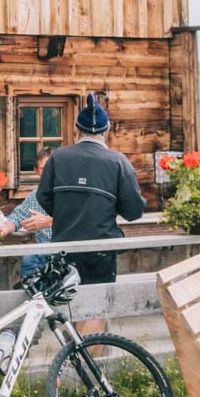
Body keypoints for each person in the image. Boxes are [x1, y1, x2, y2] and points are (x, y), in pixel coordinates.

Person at [35, 93, 146, 336]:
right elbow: (134, 211)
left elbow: (43, 197)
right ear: (107, 131)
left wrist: (65, 213)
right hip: (101, 247)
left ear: (77, 129)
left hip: (64, 246)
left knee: (70, 308)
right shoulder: (118, 161)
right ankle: (89, 370)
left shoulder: (59, 157)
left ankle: (69, 366)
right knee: (96, 309)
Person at [0, 147, 55, 282]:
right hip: (43, 255)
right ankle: (32, 296)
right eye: (44, 168)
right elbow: (16, 218)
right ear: (36, 171)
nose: (49, 172)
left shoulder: (68, 193)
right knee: (29, 259)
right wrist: (6, 227)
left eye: (52, 167)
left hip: (67, 252)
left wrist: (48, 221)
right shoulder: (35, 196)